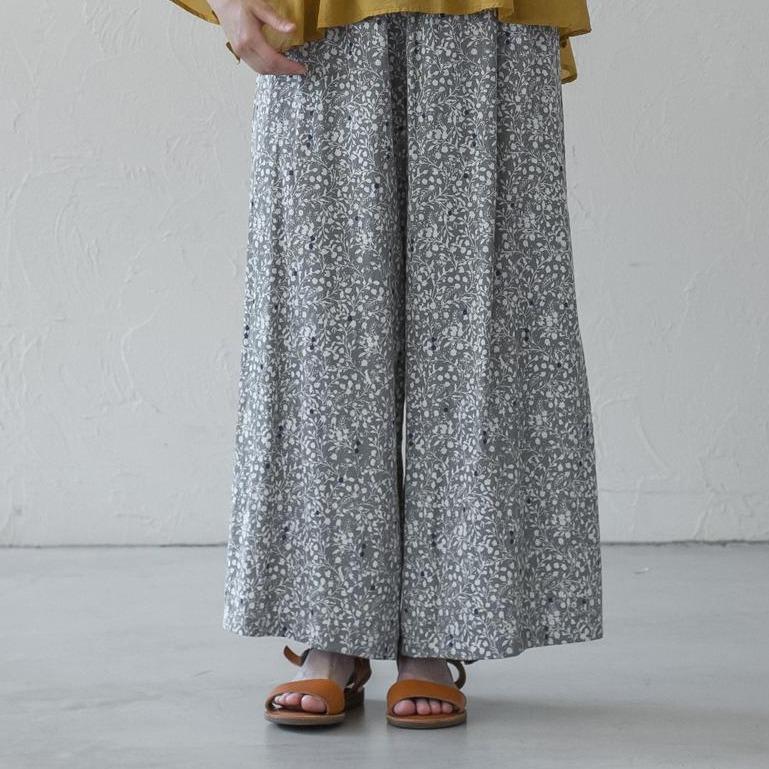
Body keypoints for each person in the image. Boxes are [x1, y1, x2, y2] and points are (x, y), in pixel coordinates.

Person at [169, 0, 603, 729]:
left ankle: (440, 628)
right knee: (321, 334)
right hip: (317, 15)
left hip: (486, 20)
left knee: (476, 330)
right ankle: (328, 624)